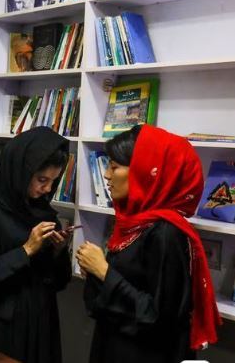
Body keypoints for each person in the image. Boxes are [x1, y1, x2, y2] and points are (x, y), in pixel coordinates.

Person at [77, 125, 221, 363]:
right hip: (115, 344)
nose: (106, 175)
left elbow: (159, 317)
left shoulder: (166, 233)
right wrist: (95, 272)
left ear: (146, 171)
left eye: (114, 167)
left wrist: (104, 272)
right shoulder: (133, 222)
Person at [0, 127, 72, 363]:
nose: (46, 189)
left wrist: (58, 251)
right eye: (41, 180)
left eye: (53, 182)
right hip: (5, 324)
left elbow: (59, 281)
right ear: (20, 173)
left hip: (43, 317)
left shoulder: (44, 212)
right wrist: (25, 250)